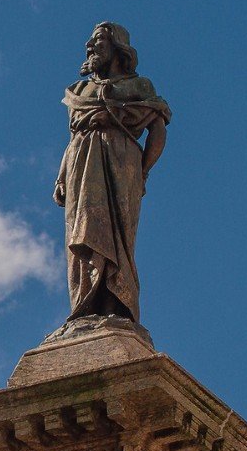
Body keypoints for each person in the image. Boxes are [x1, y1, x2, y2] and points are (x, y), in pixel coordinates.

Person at [54, 22, 170, 324]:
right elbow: (74, 136)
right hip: (81, 160)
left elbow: (157, 128)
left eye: (98, 42)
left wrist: (143, 171)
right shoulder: (79, 90)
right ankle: (84, 308)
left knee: (118, 234)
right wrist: (62, 175)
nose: (90, 47)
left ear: (118, 48)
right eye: (90, 43)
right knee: (82, 232)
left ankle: (117, 305)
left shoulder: (138, 86)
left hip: (121, 160)